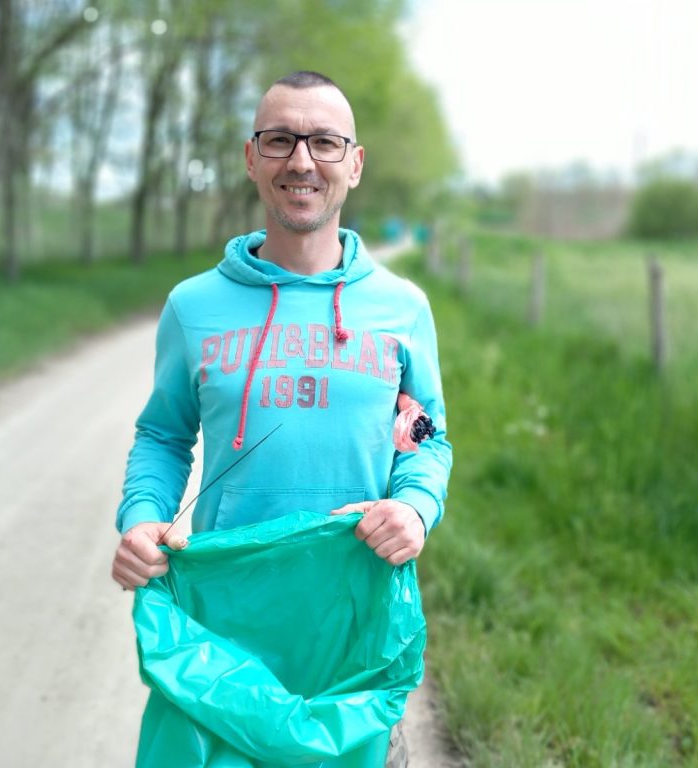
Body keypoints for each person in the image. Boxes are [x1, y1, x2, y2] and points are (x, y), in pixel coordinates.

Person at [111, 70, 452, 767]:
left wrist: (416, 506)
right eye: (280, 140)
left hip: (354, 631)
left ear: (354, 163)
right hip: (229, 635)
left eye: (324, 142)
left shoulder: (402, 309)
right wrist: (142, 517)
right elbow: (164, 435)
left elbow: (425, 437)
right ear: (251, 157)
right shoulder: (193, 306)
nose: (302, 161)